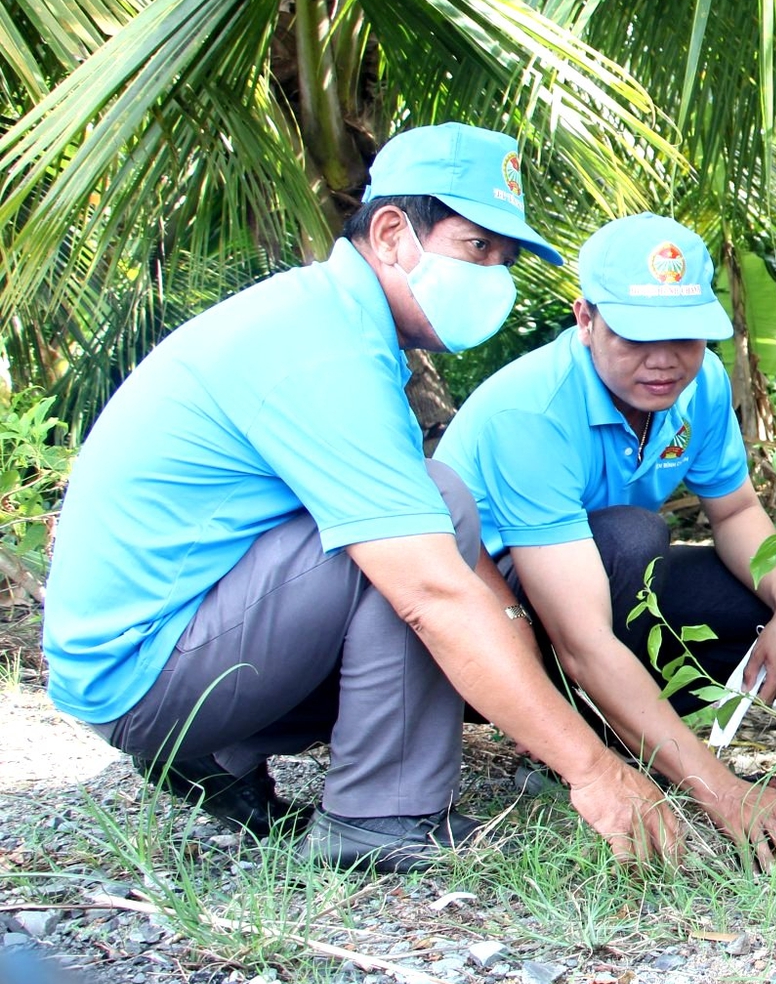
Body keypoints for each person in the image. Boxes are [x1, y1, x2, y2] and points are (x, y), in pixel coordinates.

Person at [42, 123, 678, 872]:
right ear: (389, 232)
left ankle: (223, 750)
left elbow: (463, 582)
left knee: (439, 512)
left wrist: (525, 671)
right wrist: (594, 771)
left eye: (506, 260)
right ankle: (382, 815)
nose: (496, 278)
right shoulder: (323, 348)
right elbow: (433, 590)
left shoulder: (332, 323)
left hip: (174, 642)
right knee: (429, 516)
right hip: (145, 669)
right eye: (478, 248)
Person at [435, 213, 776, 868]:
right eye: (637, 336)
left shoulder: (698, 387)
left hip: (591, 587)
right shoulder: (532, 412)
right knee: (632, 537)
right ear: (584, 319)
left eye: (685, 336)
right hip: (492, 625)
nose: (664, 360)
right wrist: (723, 791)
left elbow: (733, 512)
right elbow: (581, 641)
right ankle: (571, 744)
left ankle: (628, 734)